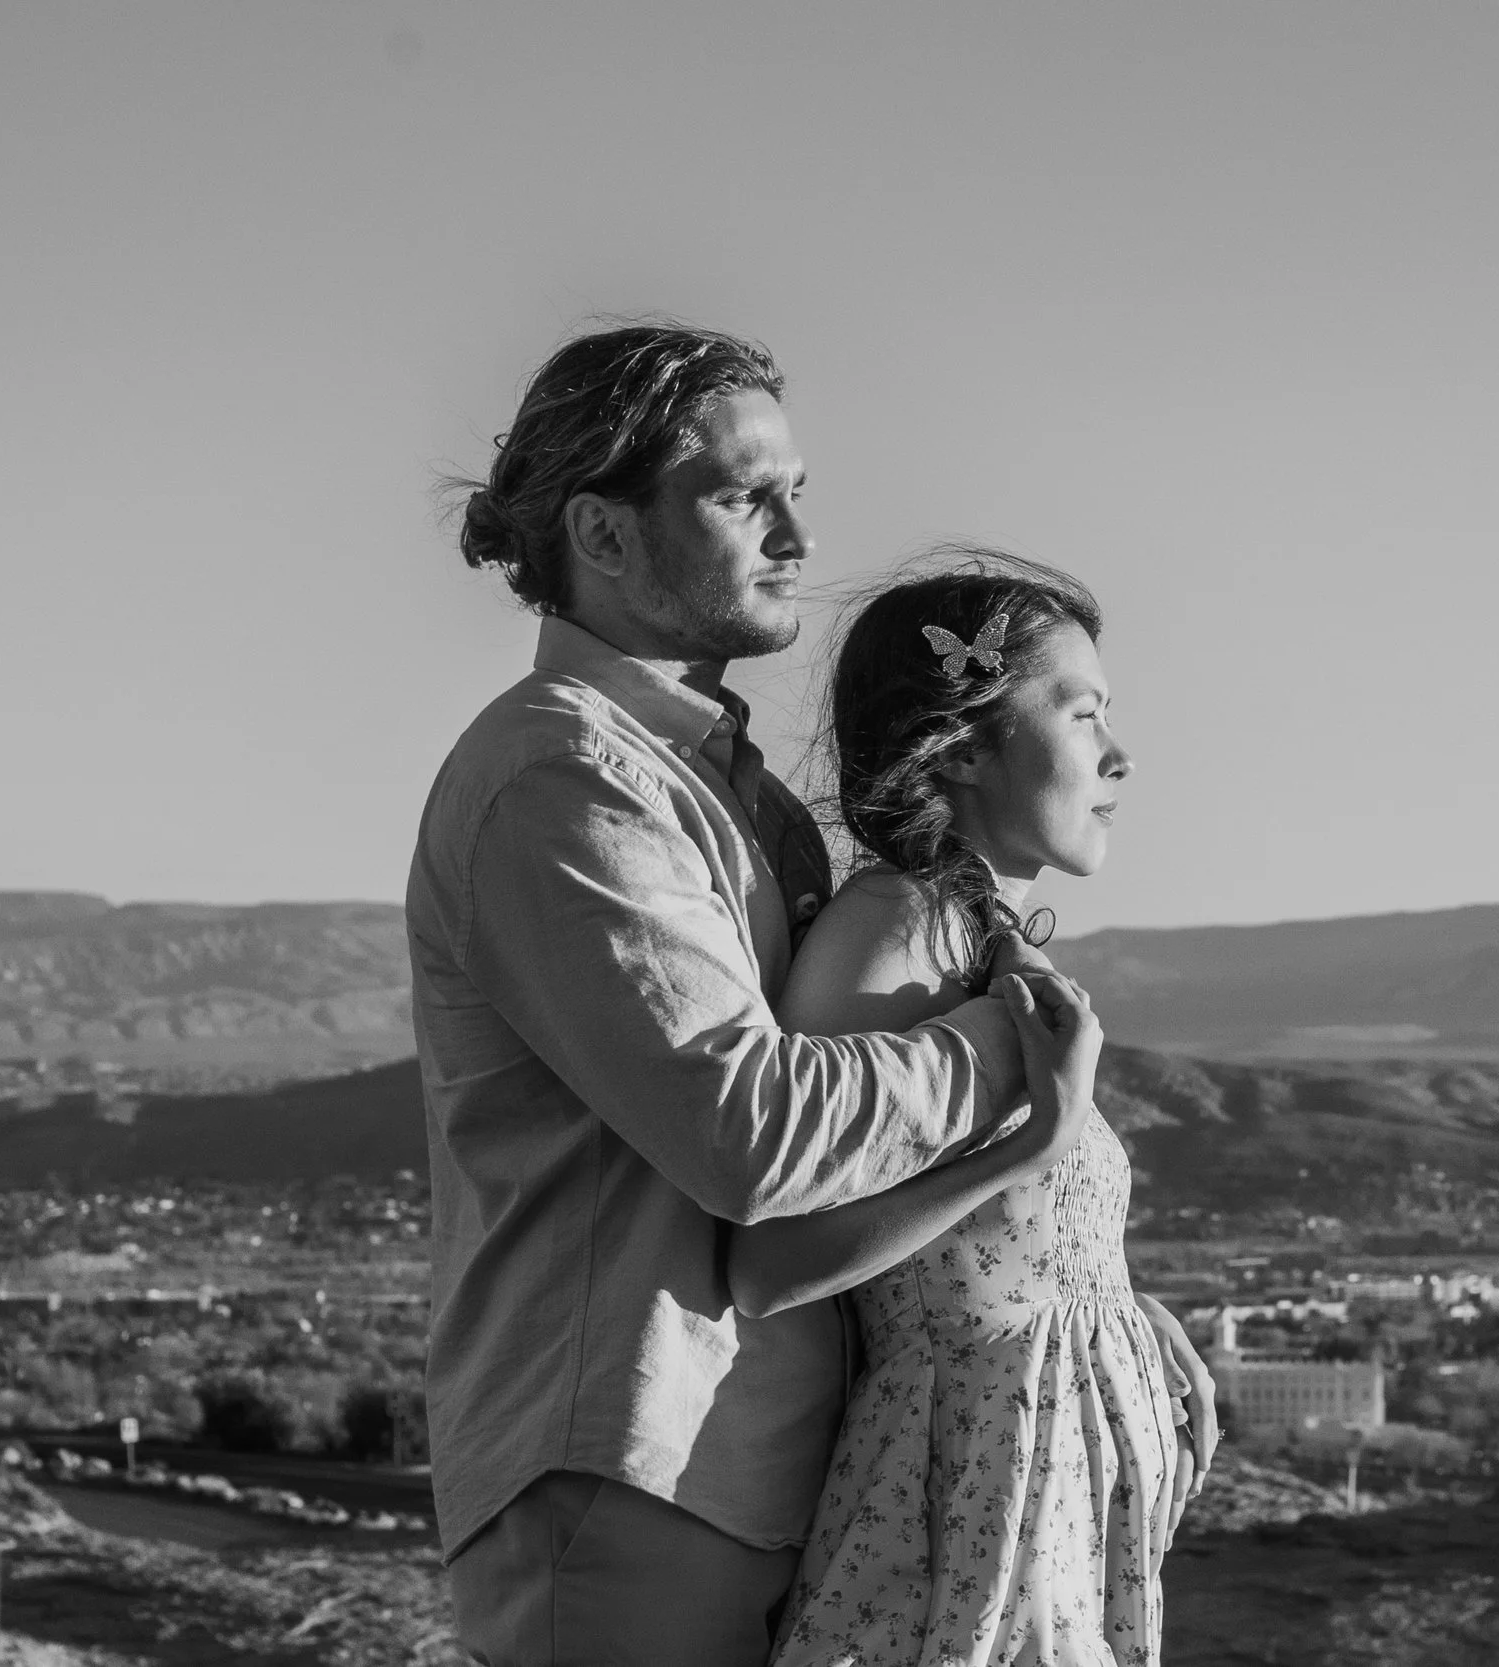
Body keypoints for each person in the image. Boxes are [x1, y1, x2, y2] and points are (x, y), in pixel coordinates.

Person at [411, 323, 1073, 1665]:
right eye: (740, 495)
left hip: (741, 1463)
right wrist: (1009, 1047)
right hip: (629, 1467)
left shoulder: (716, 786)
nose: (795, 534)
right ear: (603, 533)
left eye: (795, 491)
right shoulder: (563, 777)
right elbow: (748, 1129)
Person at [738, 553, 1216, 1667]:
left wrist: (1124, 1310)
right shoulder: (894, 929)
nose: (1119, 755)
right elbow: (770, 1260)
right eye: (1084, 714)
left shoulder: (970, 937)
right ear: (959, 746)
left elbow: (995, 1256)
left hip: (1046, 1520)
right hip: (962, 1521)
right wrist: (1037, 1142)